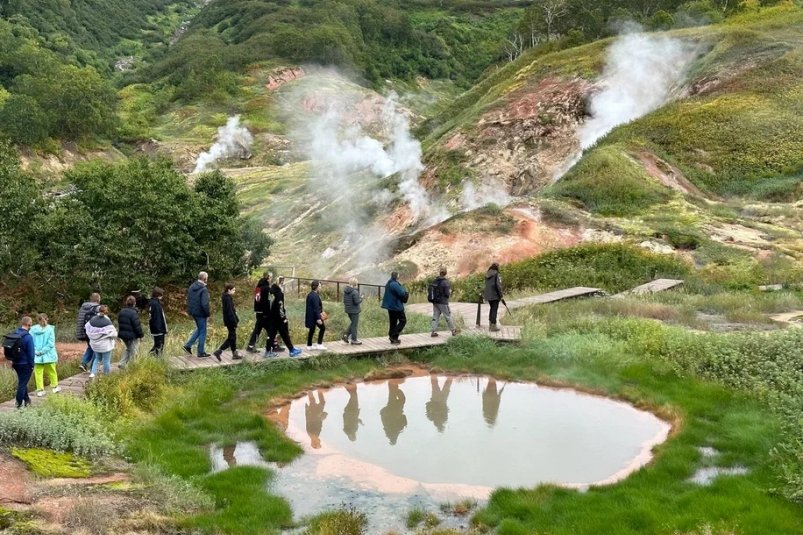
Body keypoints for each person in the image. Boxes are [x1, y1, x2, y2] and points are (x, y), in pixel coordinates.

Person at [265, 277, 302, 358]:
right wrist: (284, 318)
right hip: (279, 319)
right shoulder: (279, 294)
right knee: (284, 334)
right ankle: (292, 351)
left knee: (271, 335)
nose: (283, 285)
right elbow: (280, 307)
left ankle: (268, 351)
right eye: (282, 283)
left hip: (272, 318)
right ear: (279, 284)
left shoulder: (273, 293)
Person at [31, 313, 59, 397]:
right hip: (49, 355)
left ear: (37, 320)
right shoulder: (50, 329)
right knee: (52, 371)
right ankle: (54, 387)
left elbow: (30, 342)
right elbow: (51, 344)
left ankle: (40, 390)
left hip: (37, 355)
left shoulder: (32, 329)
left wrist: (36, 351)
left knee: (38, 373)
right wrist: (43, 351)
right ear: (47, 319)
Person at [184, 271, 211, 358]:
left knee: (199, 329)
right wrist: (208, 314)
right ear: (205, 279)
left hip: (193, 312)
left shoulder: (192, 286)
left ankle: (188, 346)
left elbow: (189, 299)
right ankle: (201, 352)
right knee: (203, 331)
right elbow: (205, 304)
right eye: (207, 278)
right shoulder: (204, 289)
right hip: (201, 313)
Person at [86, 305, 117, 378]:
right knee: (106, 360)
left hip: (95, 345)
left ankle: (92, 373)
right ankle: (106, 376)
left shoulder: (92, 320)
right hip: (105, 346)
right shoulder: (107, 321)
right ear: (106, 312)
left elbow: (87, 330)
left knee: (97, 359)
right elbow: (114, 334)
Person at [11, 316, 35, 408]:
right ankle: (18, 404)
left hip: (15, 363)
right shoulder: (28, 337)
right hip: (25, 364)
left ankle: (27, 400)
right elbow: (31, 354)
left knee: (22, 382)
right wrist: (32, 365)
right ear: (29, 324)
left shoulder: (15, 333)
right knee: (22, 384)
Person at [214, 283, 242, 361]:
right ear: (229, 290)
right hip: (230, 321)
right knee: (231, 338)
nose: (234, 292)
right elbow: (230, 311)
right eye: (233, 290)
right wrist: (234, 321)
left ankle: (234, 353)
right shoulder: (227, 298)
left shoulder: (226, 297)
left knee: (233, 336)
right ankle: (219, 351)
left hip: (228, 320)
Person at [430, 267, 459, 337]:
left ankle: (433, 331)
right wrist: (449, 292)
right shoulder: (445, 282)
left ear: (439, 273)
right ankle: (453, 331)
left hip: (435, 302)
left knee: (435, 316)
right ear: (445, 273)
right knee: (448, 316)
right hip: (443, 302)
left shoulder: (435, 281)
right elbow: (447, 294)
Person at [246, 272, 272, 353]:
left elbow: (257, 301)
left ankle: (250, 346)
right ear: (268, 279)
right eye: (270, 278)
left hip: (258, 312)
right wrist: (267, 313)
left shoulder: (258, 288)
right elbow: (265, 302)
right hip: (264, 313)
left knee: (257, 330)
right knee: (271, 329)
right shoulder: (266, 288)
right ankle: (271, 347)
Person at [75, 292, 100, 372]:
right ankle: (92, 368)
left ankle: (83, 363)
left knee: (90, 347)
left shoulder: (83, 307)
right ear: (98, 300)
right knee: (96, 348)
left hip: (84, 331)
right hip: (94, 332)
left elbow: (80, 320)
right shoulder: (97, 308)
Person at [381, 271, 408, 345]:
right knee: (403, 321)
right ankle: (394, 336)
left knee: (393, 322)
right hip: (396, 306)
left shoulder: (388, 283)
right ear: (397, 276)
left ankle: (392, 337)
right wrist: (404, 291)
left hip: (390, 306)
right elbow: (401, 293)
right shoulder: (394, 284)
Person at [118, 295, 144, 369]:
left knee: (128, 349)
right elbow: (137, 326)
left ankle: (122, 364)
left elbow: (119, 322)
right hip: (132, 336)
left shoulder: (121, 311)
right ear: (134, 303)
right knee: (134, 351)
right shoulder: (134, 313)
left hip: (123, 335)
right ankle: (133, 367)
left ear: (126, 302)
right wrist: (141, 335)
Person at [305, 280, 327, 351]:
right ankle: (319, 345)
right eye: (319, 286)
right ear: (316, 287)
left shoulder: (310, 294)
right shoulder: (315, 296)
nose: (320, 287)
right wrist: (318, 318)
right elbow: (316, 308)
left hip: (311, 316)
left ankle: (309, 345)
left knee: (312, 330)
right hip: (315, 317)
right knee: (323, 328)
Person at [341, 278, 363, 345]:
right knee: (354, 325)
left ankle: (346, 335)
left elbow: (345, 300)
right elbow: (357, 302)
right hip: (354, 311)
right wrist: (361, 298)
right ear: (355, 284)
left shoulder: (346, 291)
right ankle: (354, 340)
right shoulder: (354, 292)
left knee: (353, 323)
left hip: (348, 310)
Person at [484, 262, 504, 332]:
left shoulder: (487, 274)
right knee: (494, 310)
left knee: (492, 309)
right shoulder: (496, 274)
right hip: (495, 295)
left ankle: (490, 324)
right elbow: (498, 286)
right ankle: (493, 326)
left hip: (488, 295)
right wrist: (501, 295)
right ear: (497, 267)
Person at [148, 287, 168, 356]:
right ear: (158, 295)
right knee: (159, 345)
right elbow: (157, 318)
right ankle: (156, 357)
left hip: (156, 328)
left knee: (157, 345)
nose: (162, 296)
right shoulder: (156, 305)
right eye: (161, 294)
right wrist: (160, 330)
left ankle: (152, 356)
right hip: (158, 329)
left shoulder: (154, 303)